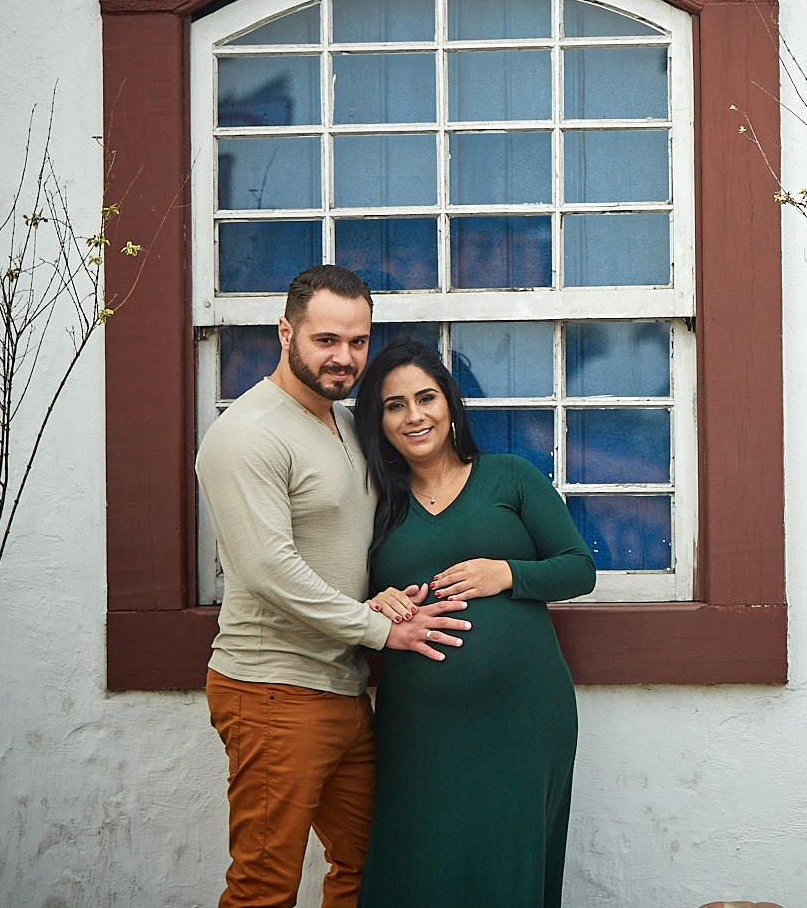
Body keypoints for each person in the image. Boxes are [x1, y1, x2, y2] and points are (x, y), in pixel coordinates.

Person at [196, 265, 473, 908]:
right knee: (265, 884)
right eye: (325, 340)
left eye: (357, 341)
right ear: (286, 332)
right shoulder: (247, 434)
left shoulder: (349, 424)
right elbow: (269, 570)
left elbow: (351, 545)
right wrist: (382, 628)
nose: (344, 358)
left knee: (369, 867)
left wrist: (378, 601)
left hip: (345, 686)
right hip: (273, 688)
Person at [353, 337, 596, 908]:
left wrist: (507, 574)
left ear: (450, 404)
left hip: (523, 718)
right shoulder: (374, 500)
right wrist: (375, 602)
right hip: (420, 725)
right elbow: (343, 593)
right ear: (379, 422)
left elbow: (578, 569)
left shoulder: (510, 477)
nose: (414, 416)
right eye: (394, 405)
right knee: (419, 864)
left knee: (509, 864)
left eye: (426, 398)